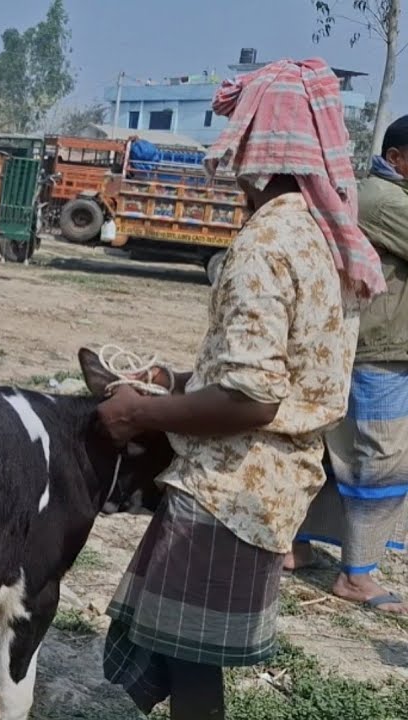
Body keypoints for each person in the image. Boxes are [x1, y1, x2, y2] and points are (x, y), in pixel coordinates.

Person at [94, 59, 387, 720]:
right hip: (277, 486)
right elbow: (280, 371)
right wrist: (177, 382)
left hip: (229, 489)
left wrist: (140, 410)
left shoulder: (264, 244)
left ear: (258, 147)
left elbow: (250, 400)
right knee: (183, 655)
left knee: (190, 667)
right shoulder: (327, 239)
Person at [288, 113, 408, 615]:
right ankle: (358, 575)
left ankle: (292, 546)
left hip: (370, 347)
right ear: (398, 158)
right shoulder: (386, 199)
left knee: (331, 454)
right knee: (376, 459)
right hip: (378, 353)